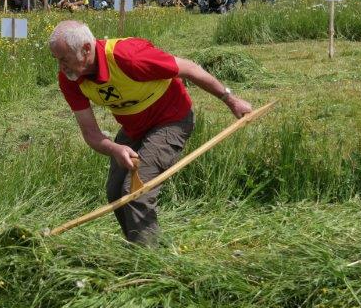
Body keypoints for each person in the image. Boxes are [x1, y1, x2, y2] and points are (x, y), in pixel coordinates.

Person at [49, 21, 252, 246]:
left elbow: (190, 68)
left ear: (86, 49)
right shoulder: (71, 79)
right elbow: (90, 132)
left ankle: (147, 261)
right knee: (116, 193)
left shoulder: (129, 57)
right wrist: (114, 149)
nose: (61, 66)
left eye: (64, 58)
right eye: (56, 59)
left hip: (171, 120)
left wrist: (231, 100)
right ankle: (142, 246)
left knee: (136, 193)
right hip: (134, 129)